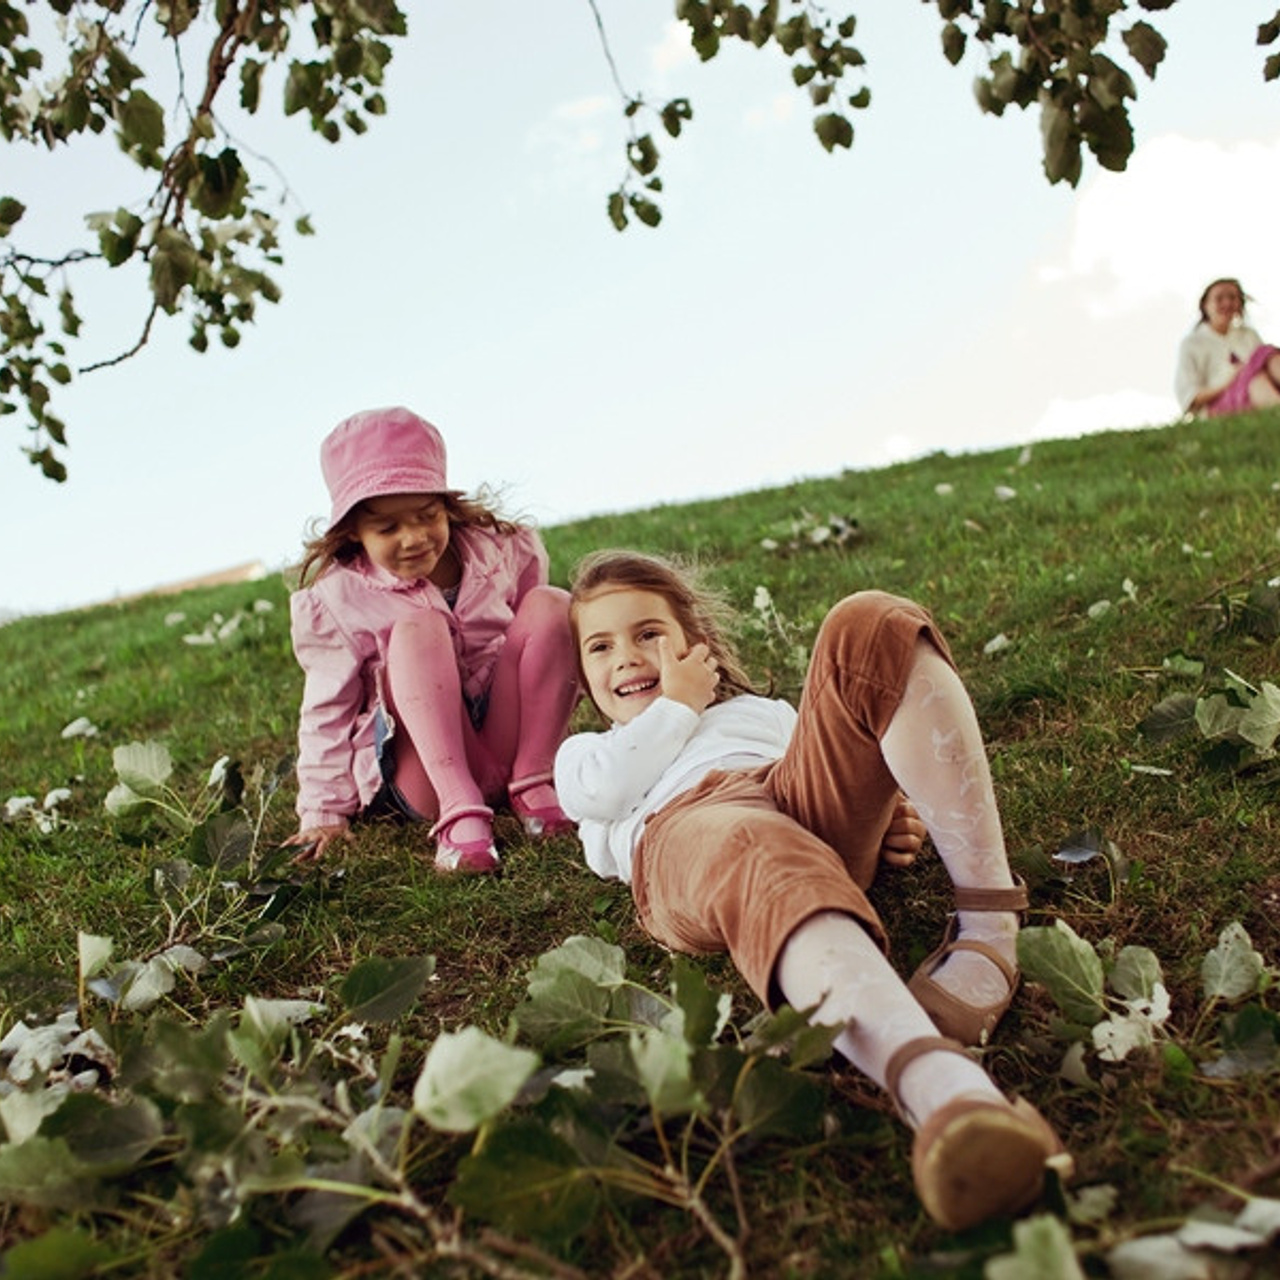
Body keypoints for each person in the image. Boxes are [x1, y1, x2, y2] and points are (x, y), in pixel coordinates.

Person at [553, 550, 1072, 1231]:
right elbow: (607, 790)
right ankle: (944, 1094)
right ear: (583, 675)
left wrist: (888, 814)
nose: (626, 656)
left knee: (873, 623)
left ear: (693, 643)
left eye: (648, 633)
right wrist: (677, 704)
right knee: (754, 844)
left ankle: (989, 924)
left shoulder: (762, 713)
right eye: (600, 646)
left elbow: (845, 762)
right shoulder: (585, 756)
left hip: (789, 796)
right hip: (690, 832)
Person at [285, 406, 580, 874]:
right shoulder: (339, 598)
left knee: (552, 603)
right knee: (418, 629)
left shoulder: (501, 549)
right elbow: (327, 710)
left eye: (427, 515)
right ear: (354, 531)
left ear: (446, 505)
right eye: (388, 528)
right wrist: (323, 812)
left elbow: (541, 650)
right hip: (424, 768)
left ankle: (534, 780)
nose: (414, 537)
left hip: (505, 739)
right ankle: (459, 812)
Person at [1175, 278, 1280, 417]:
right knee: (1255, 379)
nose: (1227, 303)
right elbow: (1190, 398)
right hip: (1218, 406)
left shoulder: (1249, 334)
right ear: (1205, 305)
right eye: (1219, 298)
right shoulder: (1192, 343)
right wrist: (1230, 381)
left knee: (1266, 354)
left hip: (1261, 391)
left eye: (1232, 297)